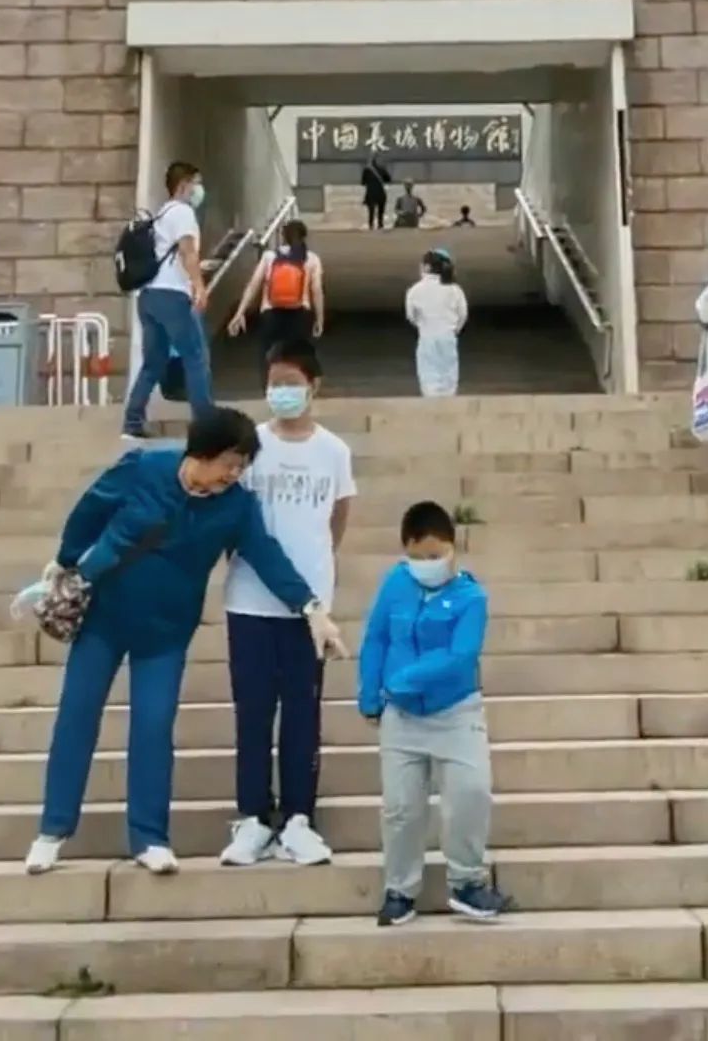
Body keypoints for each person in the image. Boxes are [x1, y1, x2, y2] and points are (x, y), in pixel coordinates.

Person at [26, 405, 348, 875]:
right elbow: (90, 509)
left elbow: (266, 554)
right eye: (230, 463)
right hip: (105, 617)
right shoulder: (143, 468)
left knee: (154, 726)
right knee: (77, 714)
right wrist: (65, 561)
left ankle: (149, 837)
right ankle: (52, 832)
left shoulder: (236, 504)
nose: (234, 474)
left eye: (242, 466)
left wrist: (310, 608)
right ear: (203, 452)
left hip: (167, 632)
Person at [219, 341, 359, 867]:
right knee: (252, 714)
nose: (282, 391)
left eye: (292, 382)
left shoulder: (334, 451)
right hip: (249, 603)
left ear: (313, 386)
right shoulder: (250, 445)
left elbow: (339, 516)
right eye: (274, 381)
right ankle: (254, 818)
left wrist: (316, 577)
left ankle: (299, 817)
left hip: (311, 611)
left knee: (303, 713)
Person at [359, 500, 507, 925]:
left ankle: (468, 883)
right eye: (418, 556)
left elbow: (460, 656)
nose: (428, 563)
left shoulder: (470, 596)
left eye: (436, 554)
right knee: (401, 808)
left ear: (453, 548)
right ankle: (399, 890)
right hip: (400, 718)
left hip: (456, 713)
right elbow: (376, 638)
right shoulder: (395, 583)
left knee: (470, 793)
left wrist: (400, 681)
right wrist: (370, 695)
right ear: (405, 551)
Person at [121, 160, 212, 442]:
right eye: (196, 184)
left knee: (153, 362)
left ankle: (132, 422)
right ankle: (206, 426)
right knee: (195, 359)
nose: (199, 190)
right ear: (184, 185)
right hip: (172, 296)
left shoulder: (161, 214)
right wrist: (199, 286)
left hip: (148, 296)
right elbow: (187, 252)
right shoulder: (183, 212)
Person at [228, 219, 324, 358]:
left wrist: (240, 313)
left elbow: (253, 285)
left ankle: (270, 379)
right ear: (304, 237)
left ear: (283, 237)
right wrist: (319, 319)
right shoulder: (312, 259)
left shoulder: (269, 257)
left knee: (269, 359)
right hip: (299, 315)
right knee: (298, 361)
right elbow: (317, 291)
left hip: (271, 314)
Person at [405, 250, 469, 398]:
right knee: (449, 374)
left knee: (428, 373)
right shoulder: (455, 290)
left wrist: (422, 325)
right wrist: (453, 329)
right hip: (448, 336)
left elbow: (411, 315)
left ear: (427, 267)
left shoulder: (415, 290)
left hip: (427, 335)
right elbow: (462, 315)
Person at [360, 156, 391, 231]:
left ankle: (371, 225)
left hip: (370, 193)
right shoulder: (382, 169)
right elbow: (388, 179)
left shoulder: (366, 170)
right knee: (381, 210)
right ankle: (380, 224)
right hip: (380, 192)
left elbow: (363, 183)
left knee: (371, 211)